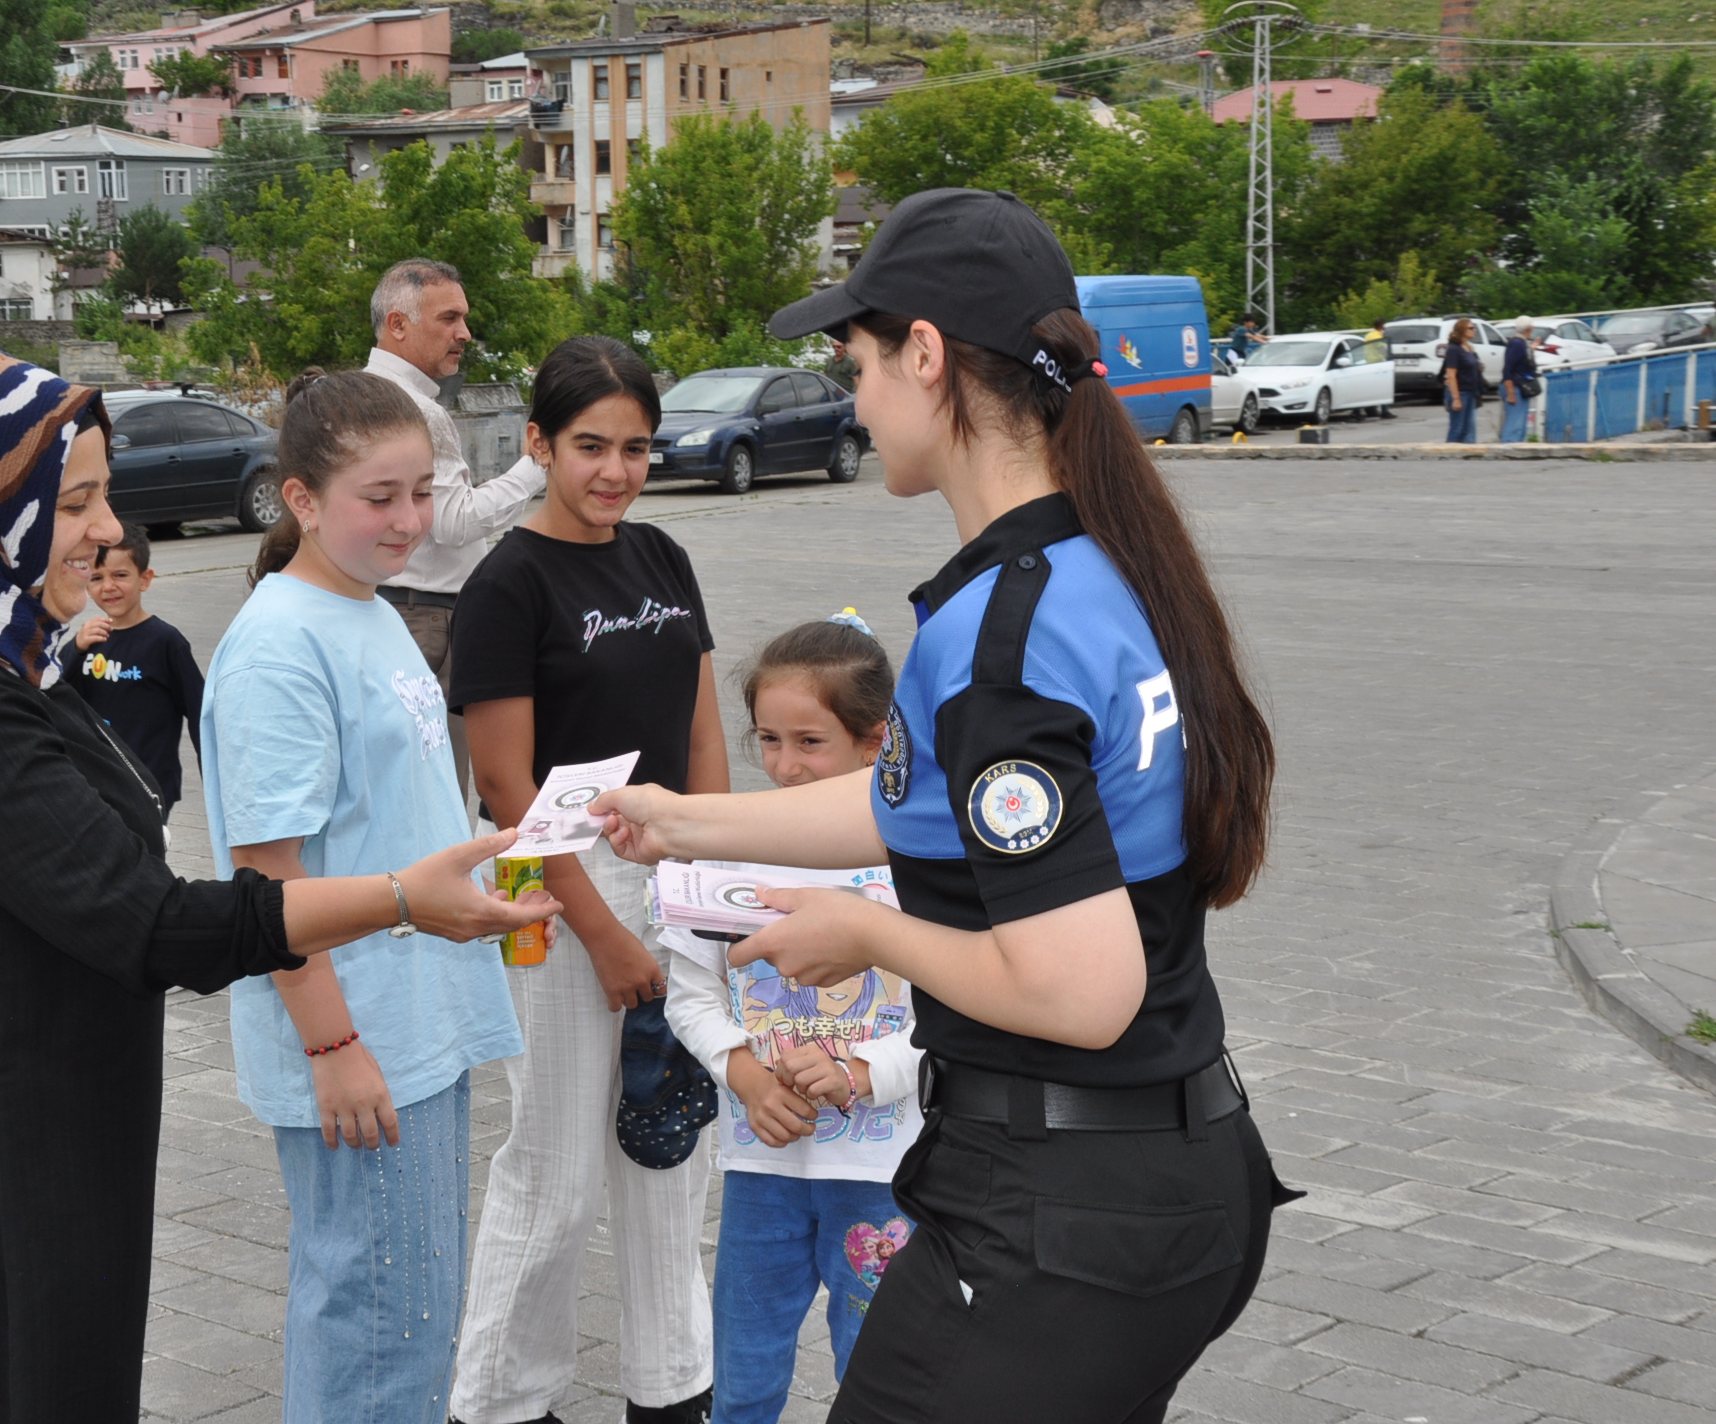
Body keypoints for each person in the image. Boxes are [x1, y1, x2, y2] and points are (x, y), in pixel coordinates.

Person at [596, 188, 1296, 1423]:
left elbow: (1080, 992)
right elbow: (912, 807)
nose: (853, 398)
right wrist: (680, 819)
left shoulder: (999, 639)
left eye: (856, 361)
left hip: (1058, 1214)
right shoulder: (1092, 564)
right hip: (1159, 1178)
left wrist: (864, 935)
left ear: (924, 353)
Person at [0, 341, 552, 1423]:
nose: (111, 533)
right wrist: (394, 904)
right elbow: (148, 917)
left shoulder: (16, 668)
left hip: (48, 1127)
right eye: (76, 502)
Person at [202, 369, 530, 1424]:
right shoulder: (280, 643)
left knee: (409, 1307)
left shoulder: (368, 609)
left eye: (421, 492)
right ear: (300, 498)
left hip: (417, 1022)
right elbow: (268, 877)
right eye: (378, 497)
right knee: (378, 1319)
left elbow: (397, 816)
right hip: (361, 1038)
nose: (408, 520)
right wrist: (332, 1046)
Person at [448, 335, 729, 1424]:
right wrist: (603, 930)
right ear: (536, 444)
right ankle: (501, 1400)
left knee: (672, 1154)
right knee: (556, 1169)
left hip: (677, 865)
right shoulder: (506, 582)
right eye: (589, 446)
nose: (615, 471)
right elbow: (507, 786)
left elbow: (700, 728)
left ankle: (670, 1391)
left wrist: (713, 873)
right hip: (560, 886)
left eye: (636, 448)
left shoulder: (660, 555)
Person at [659, 612, 924, 1424]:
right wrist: (741, 1072)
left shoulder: (920, 863)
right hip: (762, 1174)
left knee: (878, 1372)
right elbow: (692, 995)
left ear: (876, 739)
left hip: (885, 1179)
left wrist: (863, 1073)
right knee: (744, 1374)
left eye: (810, 742)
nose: (784, 765)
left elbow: (957, 1010)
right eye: (769, 740)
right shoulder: (725, 854)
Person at [364, 258, 548, 791]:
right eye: (449, 318)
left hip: (393, 611)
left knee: (403, 788)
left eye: (463, 318)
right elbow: (454, 522)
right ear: (398, 324)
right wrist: (537, 464)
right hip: (432, 622)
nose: (464, 333)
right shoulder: (419, 408)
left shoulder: (359, 392)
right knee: (442, 791)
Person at [63, 526, 206, 813]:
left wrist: (215, 778)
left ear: (145, 579)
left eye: (120, 575)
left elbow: (200, 712)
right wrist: (75, 649)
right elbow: (57, 695)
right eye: (96, 578)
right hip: (98, 782)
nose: (108, 587)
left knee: (145, 854)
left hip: (149, 783)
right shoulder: (88, 641)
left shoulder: (165, 642)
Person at [1442, 316, 1483, 444]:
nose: (1474, 330)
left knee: (1469, 430)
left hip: (1471, 392)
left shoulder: (1468, 348)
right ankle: (1449, 456)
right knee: (1457, 429)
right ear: (1462, 330)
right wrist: (1456, 398)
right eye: (1471, 328)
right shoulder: (1454, 349)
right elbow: (1451, 374)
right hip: (1461, 393)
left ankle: (1469, 458)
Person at [1500, 315, 1537, 444]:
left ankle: (1516, 447)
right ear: (1529, 328)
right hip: (1515, 387)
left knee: (1520, 424)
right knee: (1514, 424)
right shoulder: (1517, 344)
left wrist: (1532, 348)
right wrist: (1510, 392)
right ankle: (1508, 447)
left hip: (1520, 387)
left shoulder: (1522, 343)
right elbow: (1508, 369)